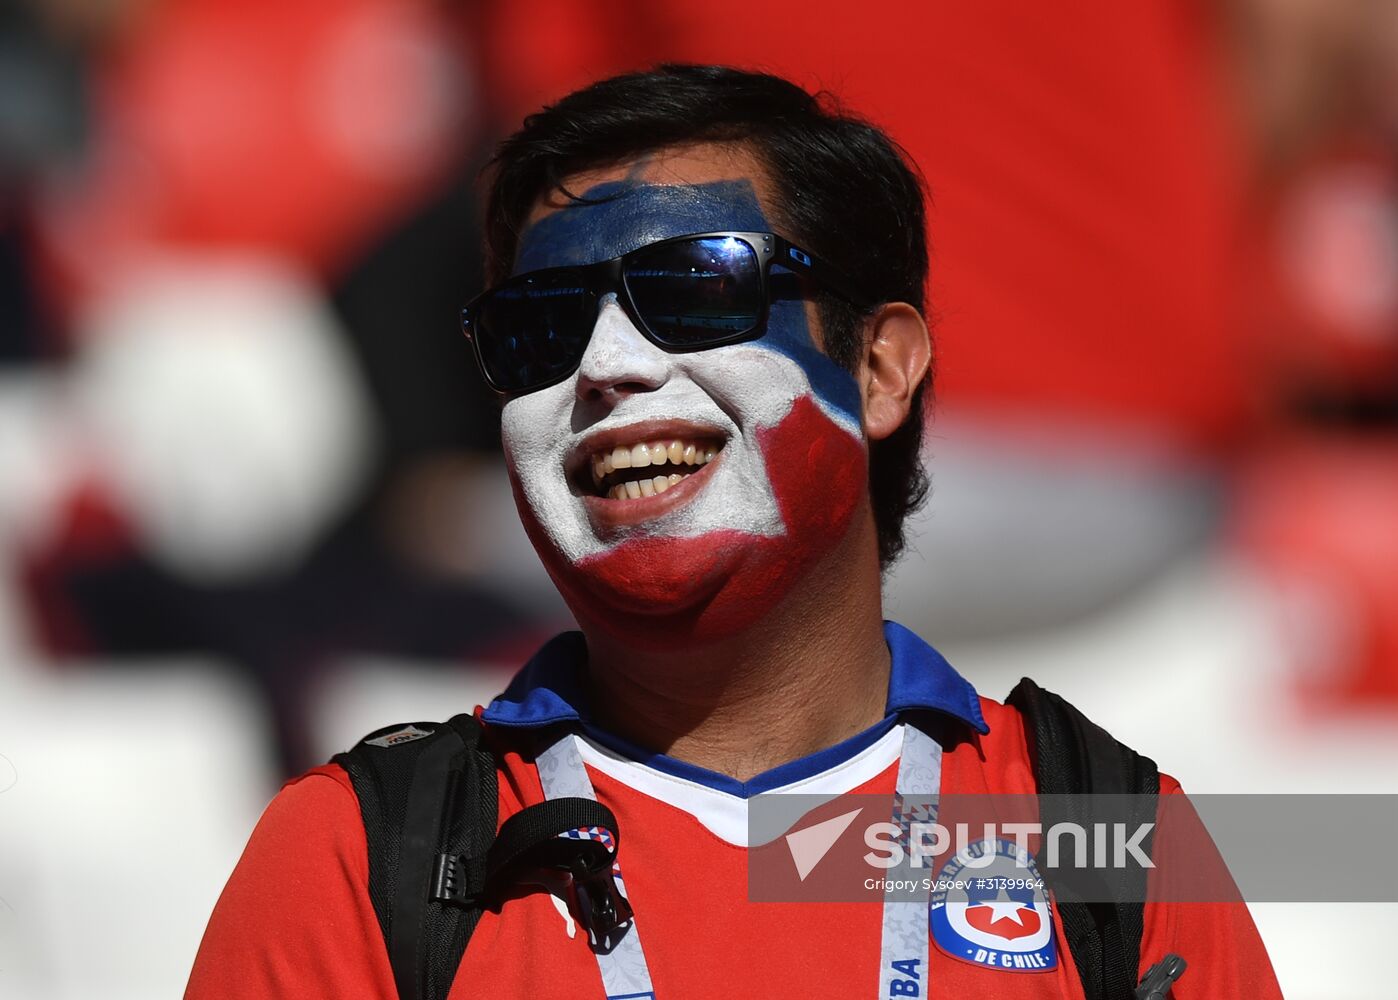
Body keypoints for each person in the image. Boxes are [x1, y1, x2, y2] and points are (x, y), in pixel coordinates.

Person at [185, 64, 1282, 999]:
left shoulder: (1117, 843)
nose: (607, 367)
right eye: (542, 327)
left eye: (697, 289)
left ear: (881, 364)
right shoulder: (356, 856)